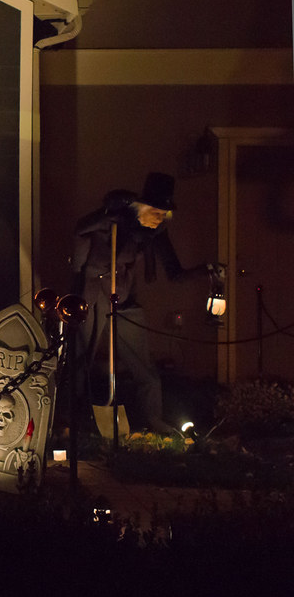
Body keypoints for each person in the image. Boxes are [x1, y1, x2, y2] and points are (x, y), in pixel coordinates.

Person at [69, 172, 215, 434]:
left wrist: (207, 270)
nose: (159, 219)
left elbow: (175, 272)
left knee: (145, 367)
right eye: (155, 212)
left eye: (164, 214)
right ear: (140, 207)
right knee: (81, 358)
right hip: (95, 293)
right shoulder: (113, 221)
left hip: (124, 298)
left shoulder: (154, 232)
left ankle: (154, 418)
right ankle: (72, 420)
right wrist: (108, 214)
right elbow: (81, 229)